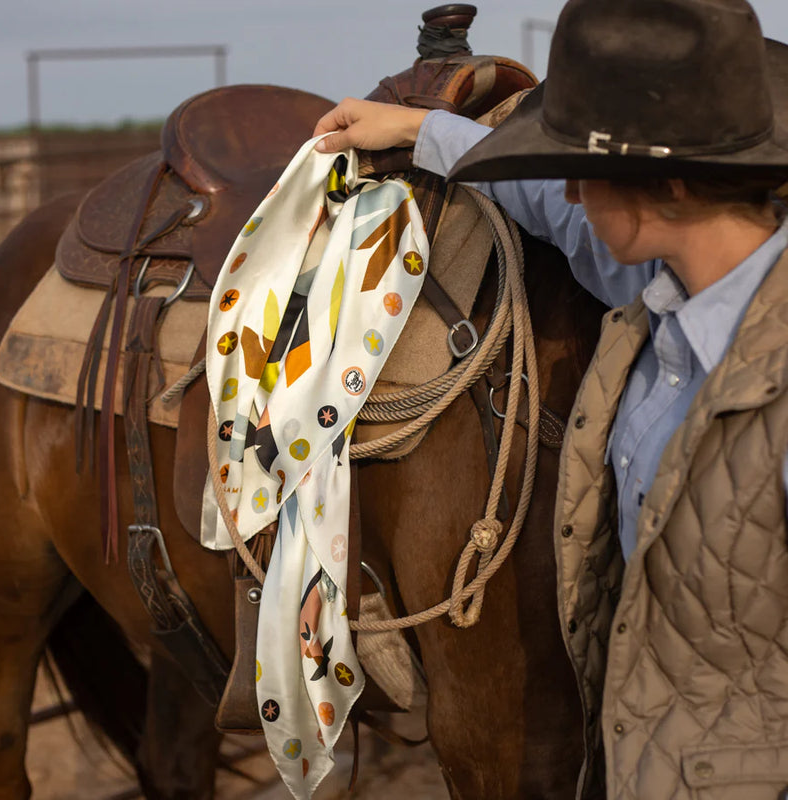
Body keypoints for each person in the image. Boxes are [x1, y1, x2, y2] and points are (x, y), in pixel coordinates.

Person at [313, 0, 788, 797]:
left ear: (662, 184)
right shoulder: (658, 283)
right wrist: (416, 132)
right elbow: (547, 207)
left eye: (580, 166)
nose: (565, 184)